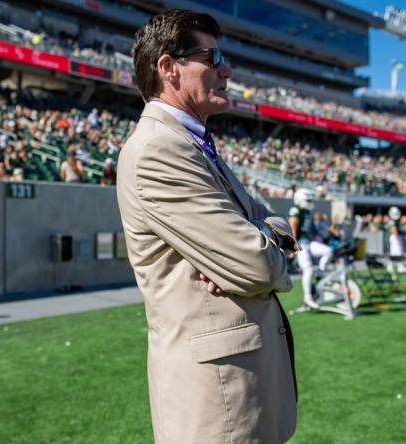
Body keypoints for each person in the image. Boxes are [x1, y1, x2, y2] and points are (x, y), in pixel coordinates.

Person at [116, 10, 298, 443]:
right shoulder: (159, 149)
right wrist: (260, 241)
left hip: (238, 391)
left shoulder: (192, 143)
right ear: (168, 68)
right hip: (219, 405)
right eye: (212, 56)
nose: (226, 69)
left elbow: (272, 225)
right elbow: (256, 264)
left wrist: (263, 235)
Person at [289, 188, 332, 308]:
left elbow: (307, 230)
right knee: (308, 269)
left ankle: (320, 274)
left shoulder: (306, 212)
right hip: (300, 243)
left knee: (328, 251)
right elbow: (293, 227)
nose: (310, 201)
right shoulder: (296, 210)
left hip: (307, 242)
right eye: (308, 199)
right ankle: (308, 297)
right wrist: (293, 245)